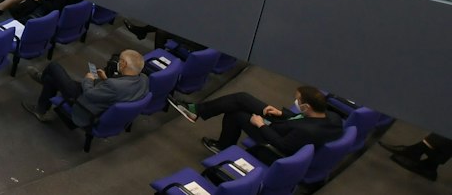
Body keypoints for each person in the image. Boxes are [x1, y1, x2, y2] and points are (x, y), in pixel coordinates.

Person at [180, 83, 341, 158]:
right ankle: (197, 111)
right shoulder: (333, 118)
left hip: (273, 136)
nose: (295, 102)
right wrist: (281, 113)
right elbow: (300, 119)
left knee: (235, 114)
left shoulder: (306, 131)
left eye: (297, 101)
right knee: (241, 98)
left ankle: (223, 147)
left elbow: (283, 146)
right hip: (285, 124)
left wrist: (261, 125)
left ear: (306, 107)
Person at [28, 48, 148, 124]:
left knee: (53, 67)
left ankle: (42, 79)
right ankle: (41, 109)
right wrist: (105, 79)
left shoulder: (114, 85)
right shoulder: (144, 80)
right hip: (103, 98)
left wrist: (88, 79)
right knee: (51, 80)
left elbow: (89, 94)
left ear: (123, 64)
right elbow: (119, 91)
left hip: (83, 103)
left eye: (119, 60)